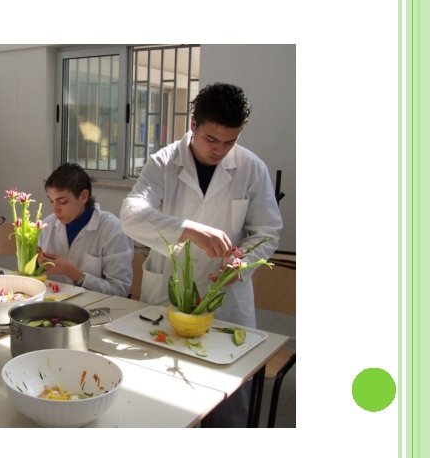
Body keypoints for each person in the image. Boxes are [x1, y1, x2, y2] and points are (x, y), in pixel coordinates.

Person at [120, 82, 283, 427]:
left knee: (227, 396)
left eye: (230, 142)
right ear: (193, 123)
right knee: (164, 391)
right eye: (211, 139)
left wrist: (242, 261)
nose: (219, 150)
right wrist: (188, 229)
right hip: (168, 293)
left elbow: (267, 232)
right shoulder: (163, 163)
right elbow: (132, 214)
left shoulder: (251, 168)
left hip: (225, 296)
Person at [38, 163, 134, 297]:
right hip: (53, 302)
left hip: (96, 306)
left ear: (83, 196)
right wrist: (35, 265)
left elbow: (119, 291)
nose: (55, 209)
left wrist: (74, 273)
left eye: (63, 202)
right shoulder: (48, 224)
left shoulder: (113, 230)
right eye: (51, 201)